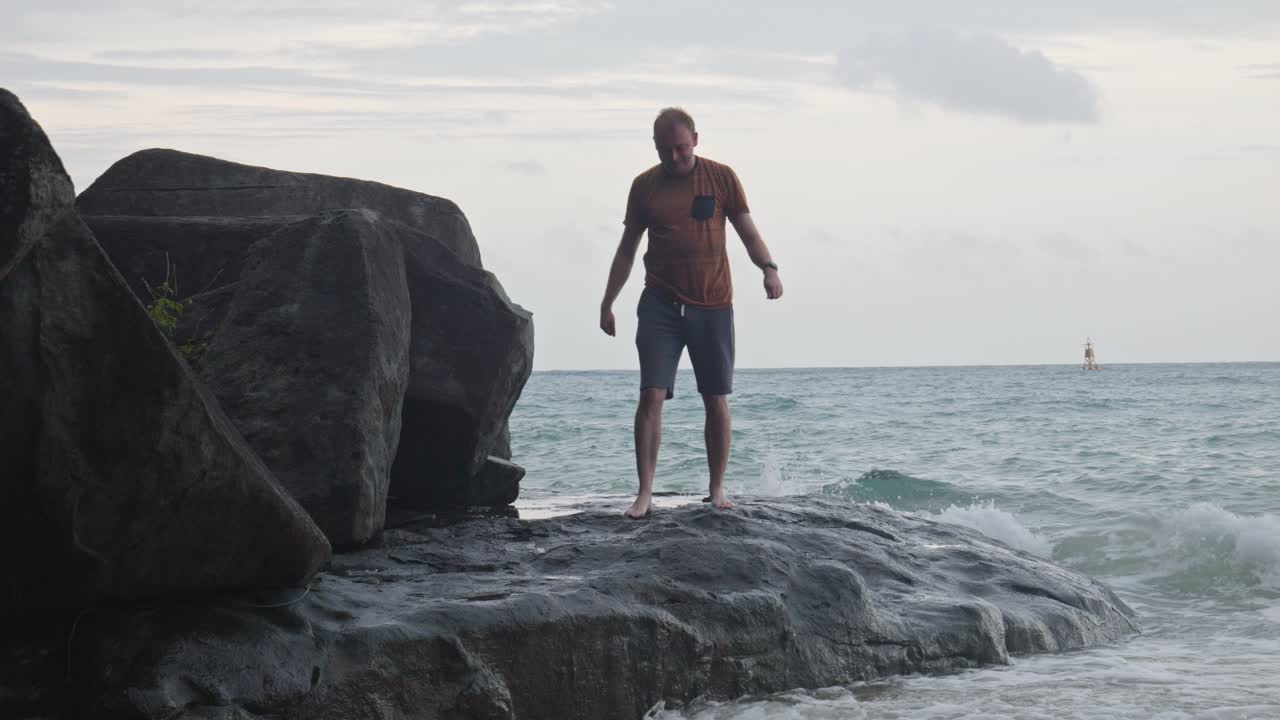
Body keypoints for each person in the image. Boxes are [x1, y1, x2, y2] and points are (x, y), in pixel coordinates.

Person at [598, 107, 784, 519]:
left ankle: (716, 488)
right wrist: (608, 301)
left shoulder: (721, 177)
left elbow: (747, 230)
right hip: (660, 302)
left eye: (682, 147)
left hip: (712, 303)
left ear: (696, 140)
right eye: (667, 150)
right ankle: (645, 493)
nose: (676, 156)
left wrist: (768, 268)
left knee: (714, 397)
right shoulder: (644, 186)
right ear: (656, 147)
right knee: (651, 393)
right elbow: (627, 248)